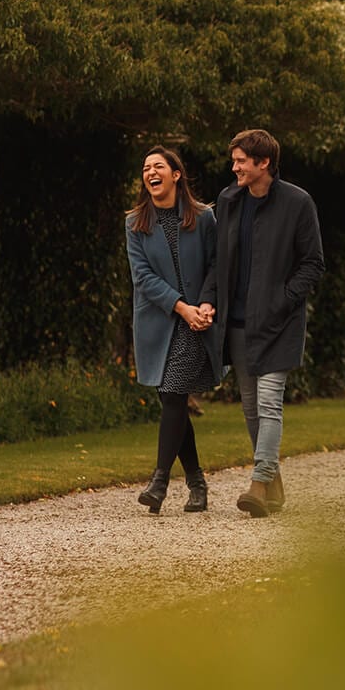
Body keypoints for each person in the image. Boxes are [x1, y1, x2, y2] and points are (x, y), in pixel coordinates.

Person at [198, 128, 324, 518]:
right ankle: (274, 484)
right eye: (234, 160)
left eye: (240, 160)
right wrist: (208, 297)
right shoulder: (229, 200)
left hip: (278, 324)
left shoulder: (297, 203)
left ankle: (258, 483)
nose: (233, 166)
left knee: (270, 405)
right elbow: (220, 259)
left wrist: (281, 301)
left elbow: (313, 265)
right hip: (236, 324)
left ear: (263, 162)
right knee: (251, 409)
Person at [125, 144, 223, 514]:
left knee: (173, 394)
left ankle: (160, 481)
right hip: (160, 321)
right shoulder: (135, 223)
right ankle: (196, 482)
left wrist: (206, 303)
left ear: (175, 174)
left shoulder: (203, 217)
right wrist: (181, 306)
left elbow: (217, 265)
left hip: (198, 322)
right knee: (173, 399)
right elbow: (142, 277)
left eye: (158, 166)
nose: (150, 172)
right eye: (145, 167)